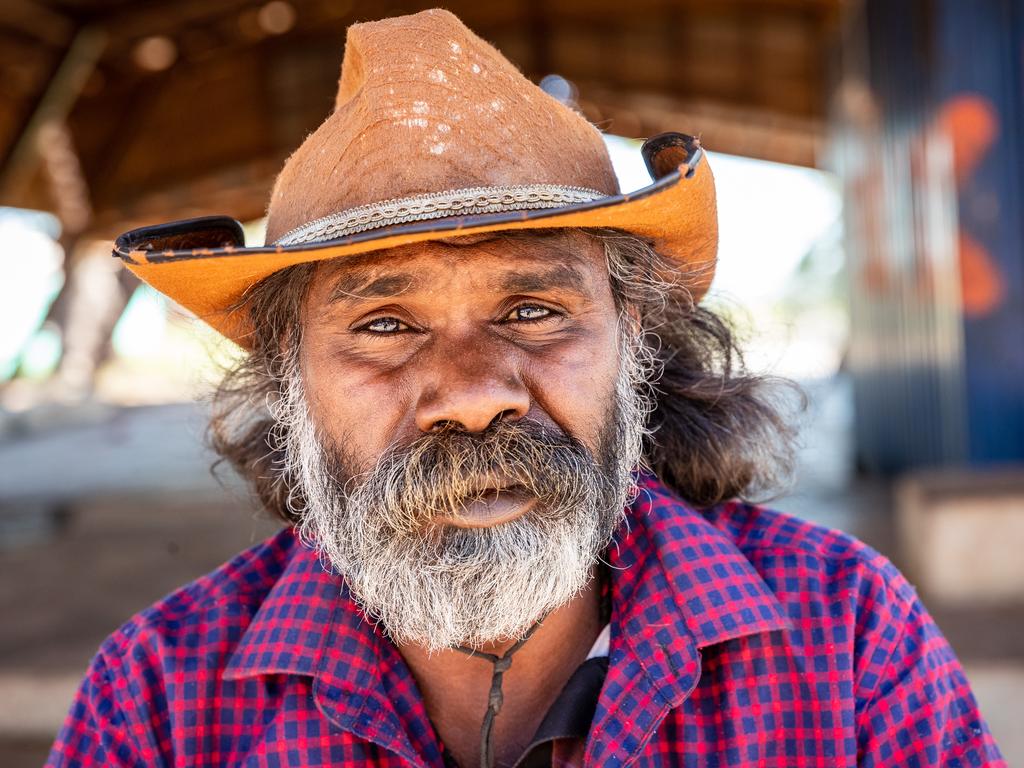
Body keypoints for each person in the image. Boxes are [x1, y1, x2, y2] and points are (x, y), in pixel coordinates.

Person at [47, 8, 1003, 767]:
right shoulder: (161, 696)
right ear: (288, 384)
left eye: (535, 311)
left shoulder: (847, 639)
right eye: (385, 326)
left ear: (635, 341)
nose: (471, 396)